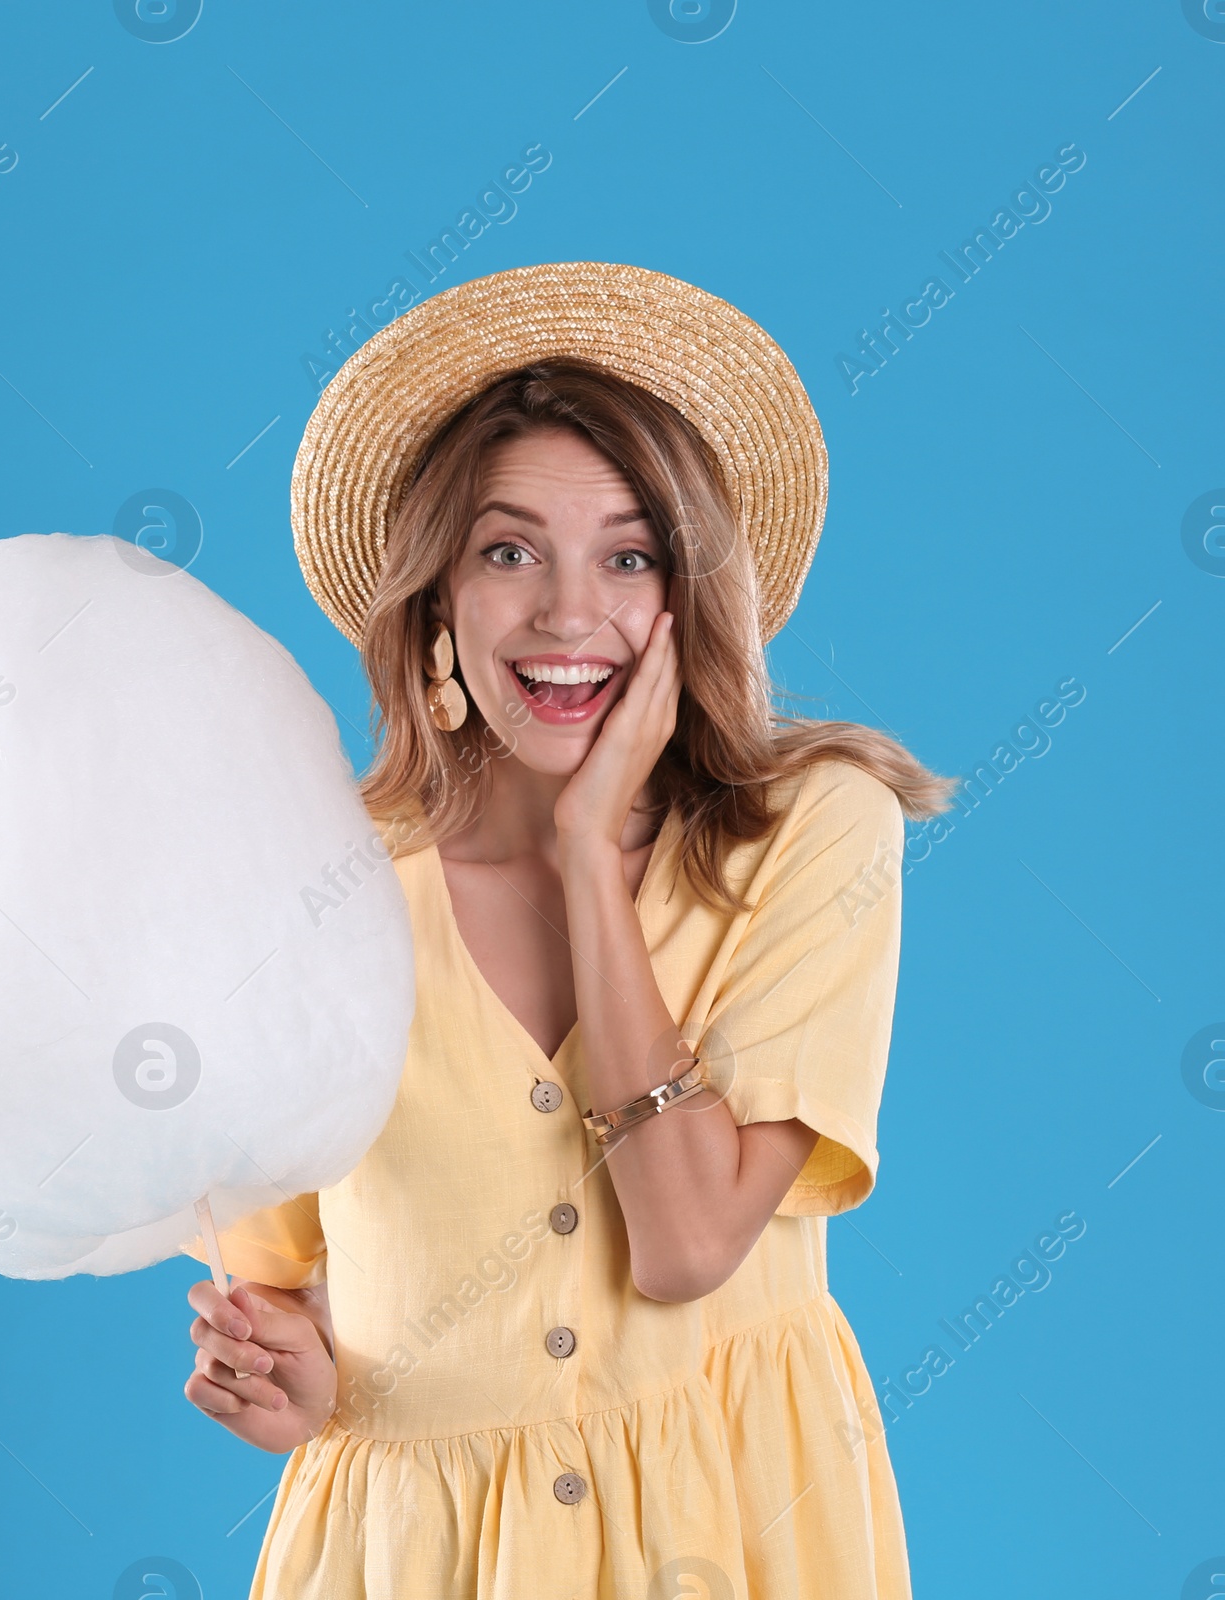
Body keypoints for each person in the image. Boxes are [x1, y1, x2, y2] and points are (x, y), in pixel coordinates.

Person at [181, 263, 951, 1599]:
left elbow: (691, 1244)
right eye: (507, 549)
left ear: (688, 594)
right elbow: (289, 1305)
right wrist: (289, 1372)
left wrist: (592, 857)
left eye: (630, 554)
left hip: (740, 1530)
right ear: (435, 600)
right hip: (413, 1558)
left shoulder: (817, 831)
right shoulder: (304, 894)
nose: (568, 614)